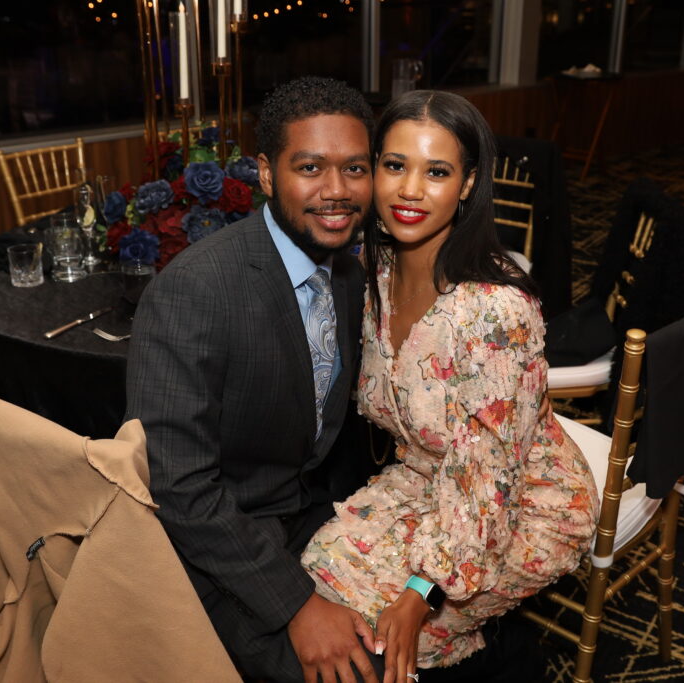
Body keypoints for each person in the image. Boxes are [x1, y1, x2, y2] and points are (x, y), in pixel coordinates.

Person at [301, 90, 601, 683]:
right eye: (395, 165)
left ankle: (493, 655)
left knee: (377, 636)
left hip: (524, 507)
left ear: (467, 185)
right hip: (426, 478)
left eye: (436, 172)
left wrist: (421, 593)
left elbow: (488, 482)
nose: (410, 190)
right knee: (316, 574)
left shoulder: (494, 313)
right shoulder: (375, 269)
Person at [126, 76, 384, 682]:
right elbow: (178, 487)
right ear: (267, 174)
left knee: (423, 641)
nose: (337, 191)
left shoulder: (347, 274)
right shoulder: (196, 290)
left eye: (354, 169)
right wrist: (295, 604)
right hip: (216, 550)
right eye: (311, 168)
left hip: (309, 515)